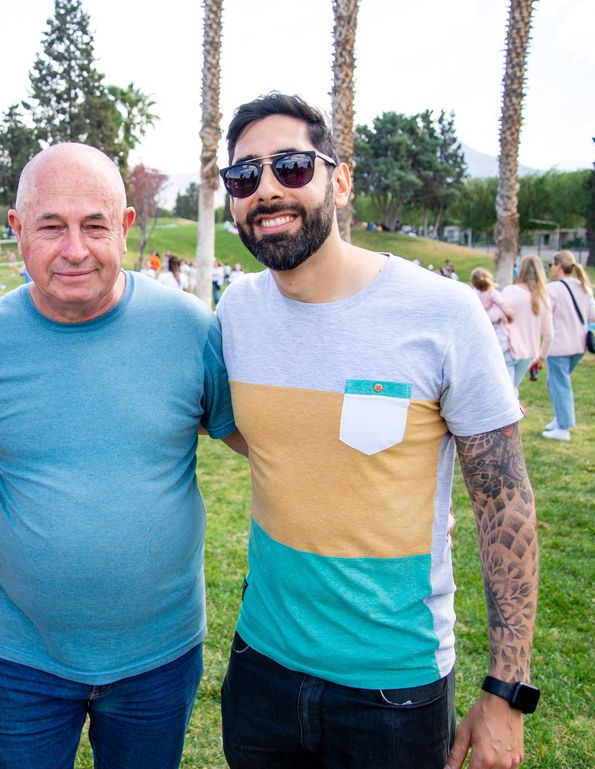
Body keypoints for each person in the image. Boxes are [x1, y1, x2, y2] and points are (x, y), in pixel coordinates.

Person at [212, 92, 540, 769]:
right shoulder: (236, 312)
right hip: (261, 669)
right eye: (245, 176)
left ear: (340, 178)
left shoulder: (443, 312)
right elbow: (258, 434)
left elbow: (505, 501)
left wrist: (506, 692)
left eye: (292, 166)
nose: (267, 189)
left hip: (395, 688)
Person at [0, 143, 243, 769]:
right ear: (18, 231)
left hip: (158, 656)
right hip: (21, 656)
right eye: (51, 226)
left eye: (94, 225)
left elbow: (260, 445)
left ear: (125, 228)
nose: (74, 249)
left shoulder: (192, 329)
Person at [542, 249, 595, 441]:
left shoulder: (553, 289)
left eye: (552, 264)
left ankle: (564, 426)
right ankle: (560, 418)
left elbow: (545, 316)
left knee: (559, 385)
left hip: (559, 344)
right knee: (555, 382)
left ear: (558, 266)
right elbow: (594, 316)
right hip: (579, 344)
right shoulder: (583, 286)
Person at [500, 255, 554, 397]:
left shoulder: (510, 291)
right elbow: (548, 335)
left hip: (508, 348)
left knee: (505, 395)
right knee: (511, 391)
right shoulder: (543, 299)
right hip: (528, 354)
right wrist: (542, 357)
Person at [470, 267, 515, 358]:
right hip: (493, 320)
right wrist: (510, 314)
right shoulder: (492, 292)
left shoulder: (474, 292)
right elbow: (501, 304)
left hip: (481, 319)